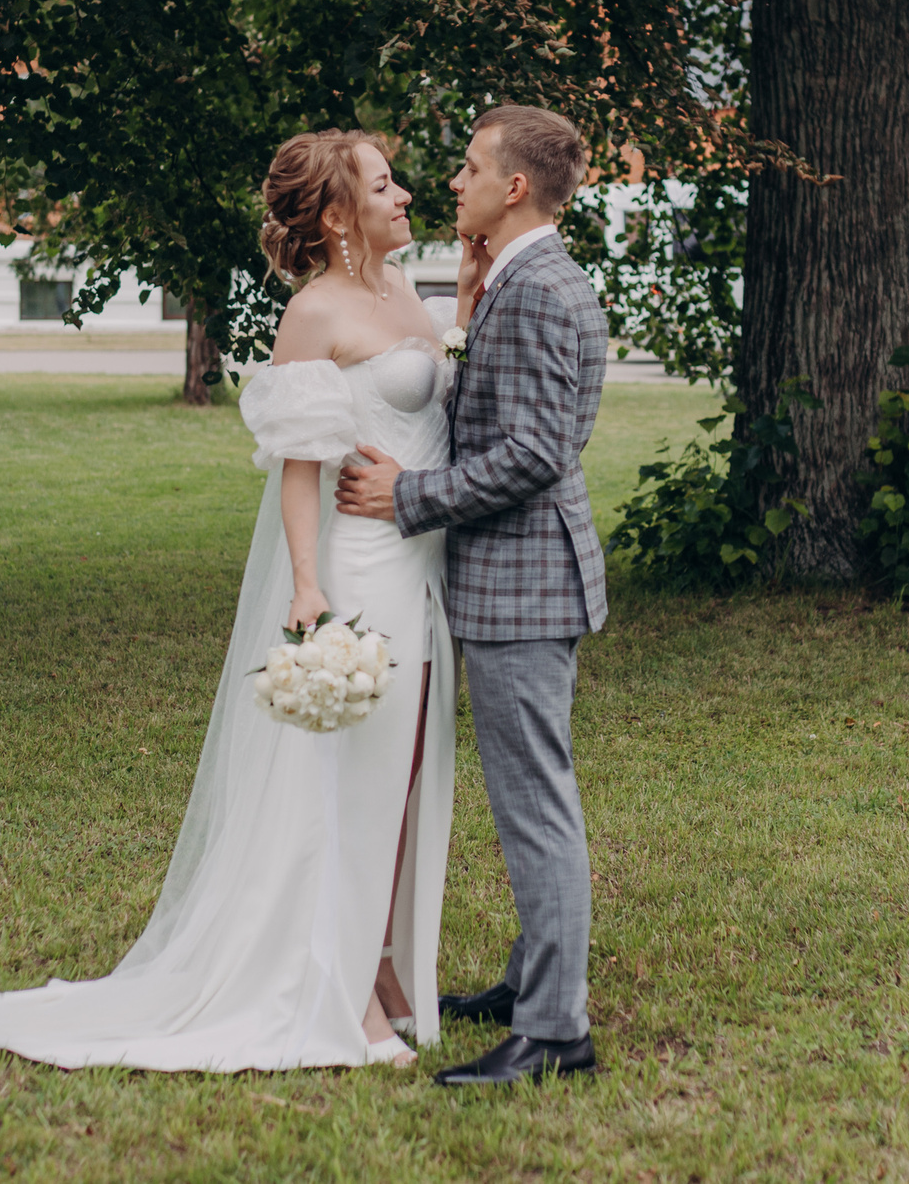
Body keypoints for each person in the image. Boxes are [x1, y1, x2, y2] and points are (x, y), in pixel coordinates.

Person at [0, 128, 456, 1072]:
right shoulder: (315, 312)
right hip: (360, 566)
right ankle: (342, 988)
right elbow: (301, 468)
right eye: (384, 185)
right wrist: (310, 583)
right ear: (334, 213)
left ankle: (388, 967)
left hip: (422, 564)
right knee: (345, 788)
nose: (405, 196)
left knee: (400, 780)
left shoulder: (408, 289)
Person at [335, 103, 609, 1088]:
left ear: (515, 186)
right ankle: (533, 982)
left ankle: (554, 1034)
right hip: (521, 578)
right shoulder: (518, 275)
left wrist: (409, 496)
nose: (451, 181)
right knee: (536, 796)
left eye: (467, 165)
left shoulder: (534, 290)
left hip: (524, 584)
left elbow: (534, 453)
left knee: (536, 805)